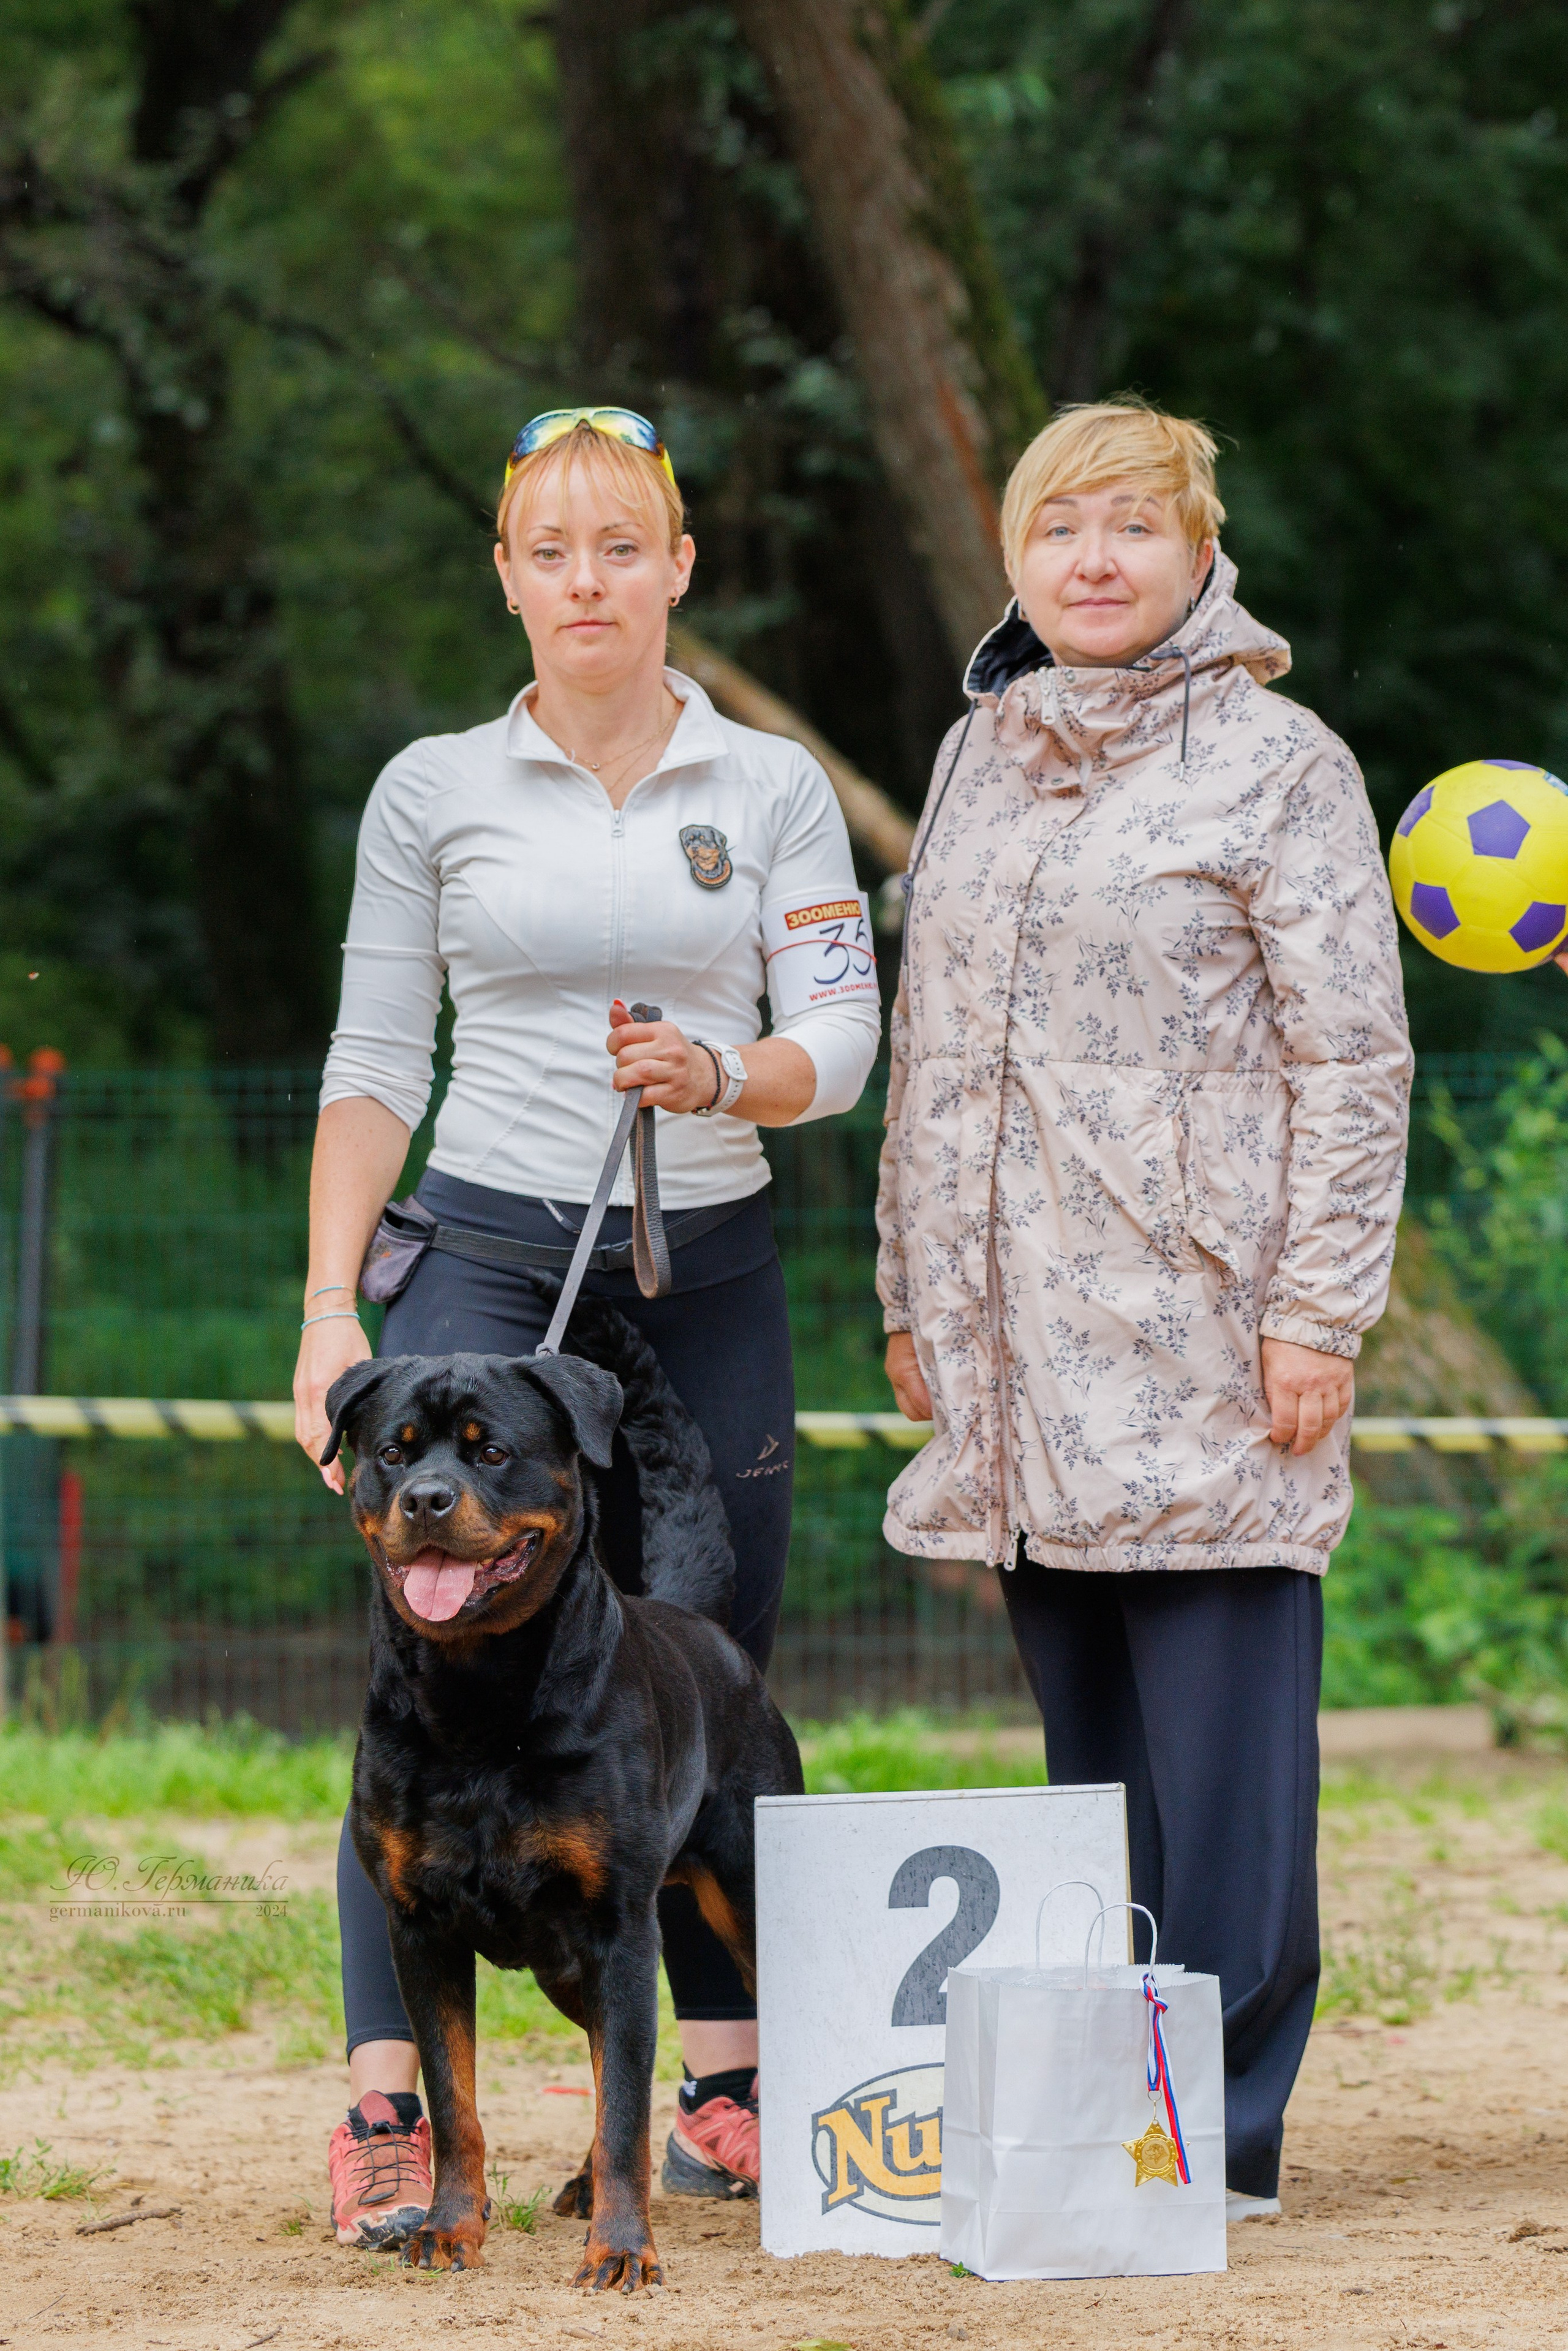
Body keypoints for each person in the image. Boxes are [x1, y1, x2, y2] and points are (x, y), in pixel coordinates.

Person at [293, 407, 880, 2244]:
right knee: (428, 1669)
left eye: (622, 547)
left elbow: (842, 1047)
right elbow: (380, 1060)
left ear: (679, 568)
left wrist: (727, 1070)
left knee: (708, 1673)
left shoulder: (771, 784)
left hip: (702, 1258)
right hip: (476, 1257)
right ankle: (392, 2114)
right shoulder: (431, 788)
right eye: (550, 552)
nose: (587, 582)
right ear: (507, 579)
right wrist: (329, 1309)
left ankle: (724, 2085)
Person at [878, 399, 1411, 2216]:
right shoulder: (974, 759)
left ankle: (1226, 2128)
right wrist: (910, 1292)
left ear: (1201, 554)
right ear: (1015, 558)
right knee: (1090, 1780)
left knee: (1224, 1781)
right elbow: (931, 1056)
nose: (1092, 563)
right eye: (1058, 531)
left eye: (1131, 530)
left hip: (1208, 1349)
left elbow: (1355, 1061)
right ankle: (1107, 2120)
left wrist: (1320, 1312)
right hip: (1019, 1360)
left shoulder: (1283, 764)